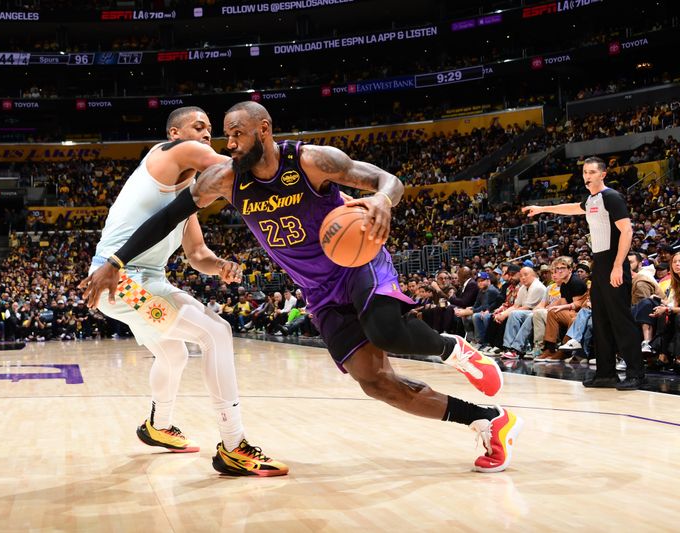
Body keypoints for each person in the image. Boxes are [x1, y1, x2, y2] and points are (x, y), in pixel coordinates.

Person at [83, 101, 521, 473]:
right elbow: (165, 218)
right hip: (312, 290)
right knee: (376, 381)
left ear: (265, 130)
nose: (226, 144)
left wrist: (382, 200)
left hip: (357, 263)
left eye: (234, 134)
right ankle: (485, 420)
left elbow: (388, 181)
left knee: (383, 330)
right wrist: (116, 261)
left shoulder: (311, 160)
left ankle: (458, 352)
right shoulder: (219, 177)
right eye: (221, 135)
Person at [79, 106, 287, 477]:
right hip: (121, 279)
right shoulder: (172, 153)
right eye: (199, 126)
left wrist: (220, 265)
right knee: (216, 332)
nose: (208, 134)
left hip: (145, 281)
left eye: (211, 129)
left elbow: (197, 255)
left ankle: (158, 425)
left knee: (173, 355)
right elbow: (230, 167)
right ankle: (234, 444)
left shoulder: (187, 196)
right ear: (175, 134)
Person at [523, 156, 644, 390]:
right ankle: (606, 373)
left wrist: (619, 265)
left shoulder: (612, 197)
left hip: (613, 262)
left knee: (621, 320)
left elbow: (627, 231)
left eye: (591, 172)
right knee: (600, 320)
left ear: (603, 174)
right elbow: (571, 209)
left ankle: (636, 373)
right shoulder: (591, 200)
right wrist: (543, 208)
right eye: (585, 172)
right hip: (598, 264)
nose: (587, 176)